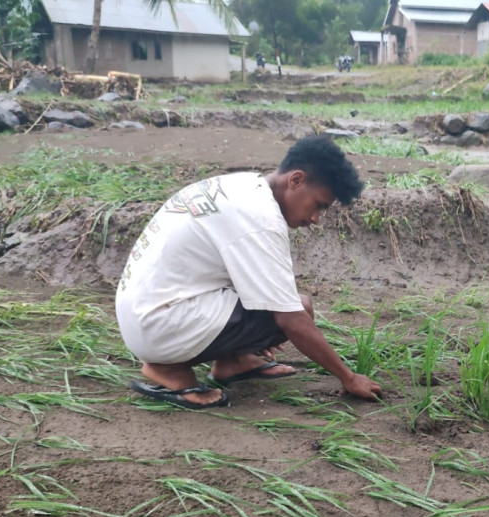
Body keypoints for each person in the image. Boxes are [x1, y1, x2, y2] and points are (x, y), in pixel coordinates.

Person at [115, 136, 382, 409]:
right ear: (296, 180)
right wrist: (349, 378)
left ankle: (233, 362)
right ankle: (169, 369)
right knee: (298, 308)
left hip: (144, 312)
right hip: (159, 324)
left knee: (274, 303)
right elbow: (291, 319)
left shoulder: (242, 187)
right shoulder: (261, 218)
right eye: (318, 205)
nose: (315, 218)